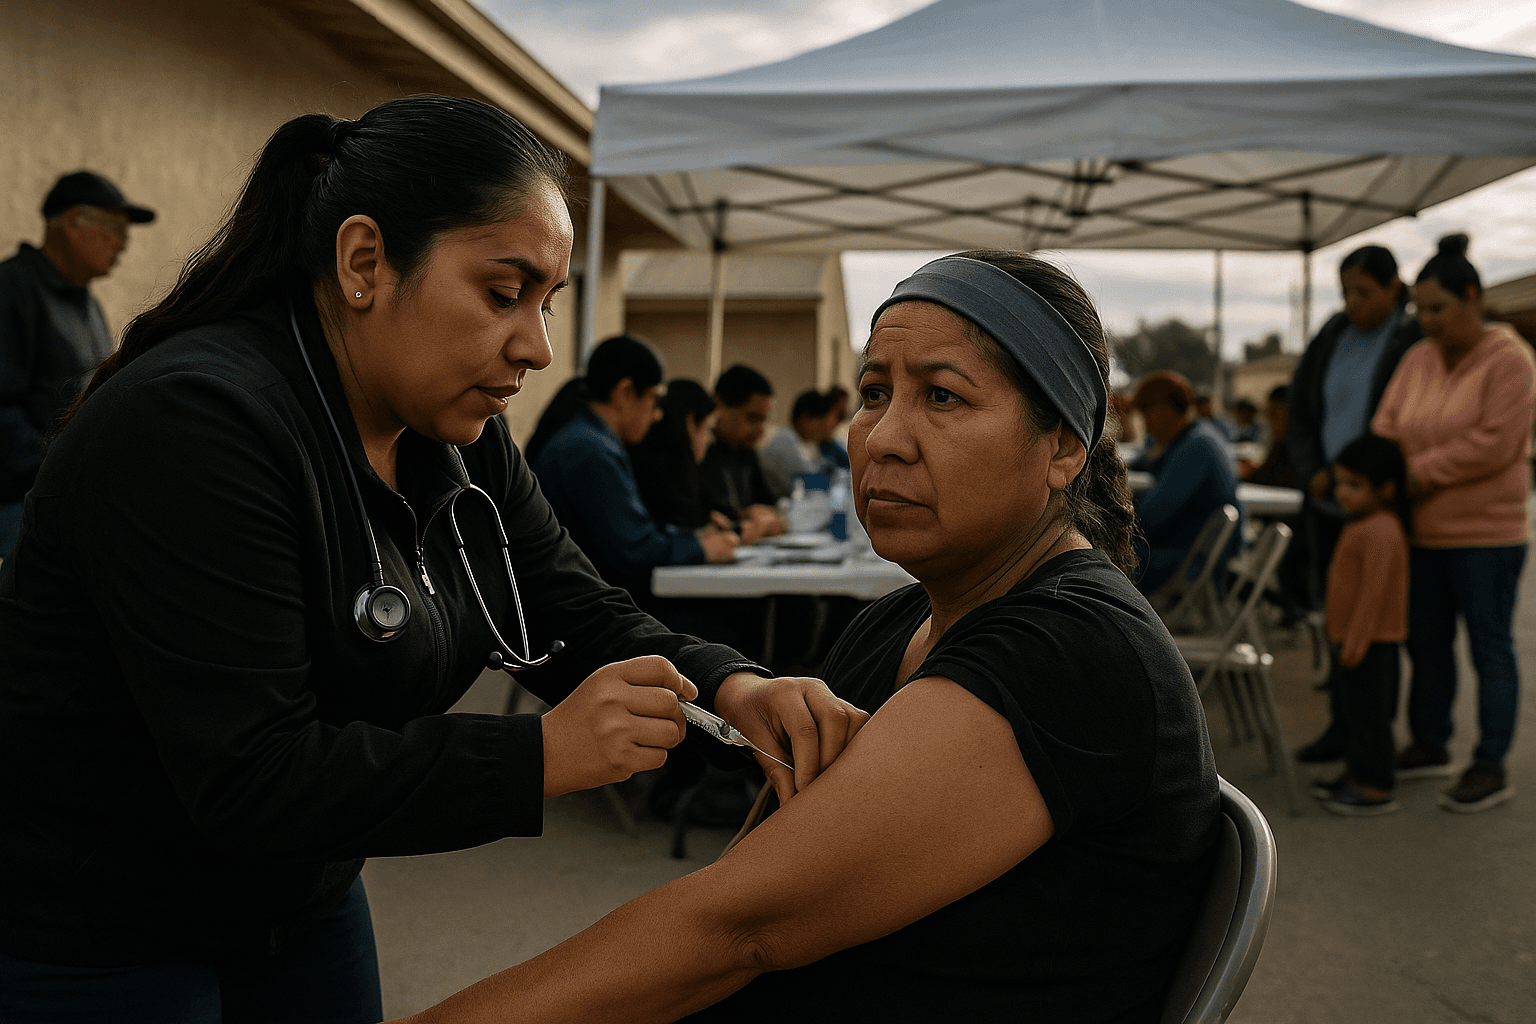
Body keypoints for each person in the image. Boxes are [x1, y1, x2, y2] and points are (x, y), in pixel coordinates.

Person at [0, 96, 863, 1022]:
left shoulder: (450, 431)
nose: (535, 347)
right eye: (503, 293)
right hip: (102, 924)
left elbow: (564, 600)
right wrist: (538, 755)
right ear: (365, 261)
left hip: (297, 896)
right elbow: (254, 776)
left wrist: (732, 687)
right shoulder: (195, 425)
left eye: (546, 303)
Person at [393, 250, 1221, 1024]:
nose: (885, 438)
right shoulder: (897, 622)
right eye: (872, 393)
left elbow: (735, 927)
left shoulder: (1070, 655)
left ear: (1063, 451)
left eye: (943, 396)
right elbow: (747, 888)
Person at [1373, 233, 1536, 814]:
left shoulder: (1511, 360)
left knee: (1490, 647)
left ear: (1473, 298)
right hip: (1425, 532)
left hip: (1488, 537)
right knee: (1427, 642)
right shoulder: (1418, 358)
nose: (1428, 321)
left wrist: (1416, 472)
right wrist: (1386, 468)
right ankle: (1431, 742)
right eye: (1421, 310)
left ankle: (1490, 763)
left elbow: (1496, 444)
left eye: (1439, 308)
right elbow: (1386, 424)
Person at [0, 170, 156, 557]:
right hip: (16, 502)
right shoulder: (11, 289)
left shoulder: (87, 303)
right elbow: (1, 409)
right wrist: (58, 471)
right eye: (113, 230)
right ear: (72, 222)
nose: (121, 245)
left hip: (66, 493)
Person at [527, 336, 737, 599]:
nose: (658, 414)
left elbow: (635, 532)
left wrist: (696, 534)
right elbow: (634, 551)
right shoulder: (590, 451)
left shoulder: (589, 438)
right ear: (625, 392)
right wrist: (702, 549)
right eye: (654, 398)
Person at [1287, 244, 1422, 617]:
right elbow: (1299, 409)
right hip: (1327, 493)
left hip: (1379, 502)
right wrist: (1312, 468)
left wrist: (1372, 481)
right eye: (1346, 293)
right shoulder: (1333, 333)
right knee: (1333, 600)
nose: (1353, 303)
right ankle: (1337, 674)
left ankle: (1369, 675)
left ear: (1393, 288)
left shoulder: (1411, 339)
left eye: (1364, 292)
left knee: (1376, 611)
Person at [1307, 434, 1411, 817]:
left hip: (1371, 644)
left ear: (1385, 489)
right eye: (1340, 483)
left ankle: (1376, 784)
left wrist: (1356, 641)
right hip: (1351, 642)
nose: (1343, 493)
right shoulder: (1363, 523)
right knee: (1352, 713)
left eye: (1355, 485)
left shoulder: (1382, 529)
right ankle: (1356, 771)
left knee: (1371, 717)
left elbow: (1373, 595)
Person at [1129, 370, 1243, 594]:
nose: (1145, 422)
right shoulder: (1191, 439)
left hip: (1190, 560)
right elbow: (1140, 463)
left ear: (1163, 410)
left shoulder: (1197, 446)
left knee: (1101, 553)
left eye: (1146, 412)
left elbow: (1151, 515)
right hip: (1192, 552)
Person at [698, 363, 784, 542]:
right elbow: (698, 514)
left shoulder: (745, 450)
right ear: (718, 406)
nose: (760, 431)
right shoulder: (699, 450)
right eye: (753, 419)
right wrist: (743, 517)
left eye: (763, 421)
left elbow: (769, 502)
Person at [629, 378, 722, 533]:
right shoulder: (662, 472)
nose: (710, 439)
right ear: (690, 422)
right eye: (707, 428)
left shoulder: (647, 457)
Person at [758, 388, 844, 499]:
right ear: (805, 417)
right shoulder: (785, 441)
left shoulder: (801, 442)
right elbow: (812, 484)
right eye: (821, 423)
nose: (823, 430)